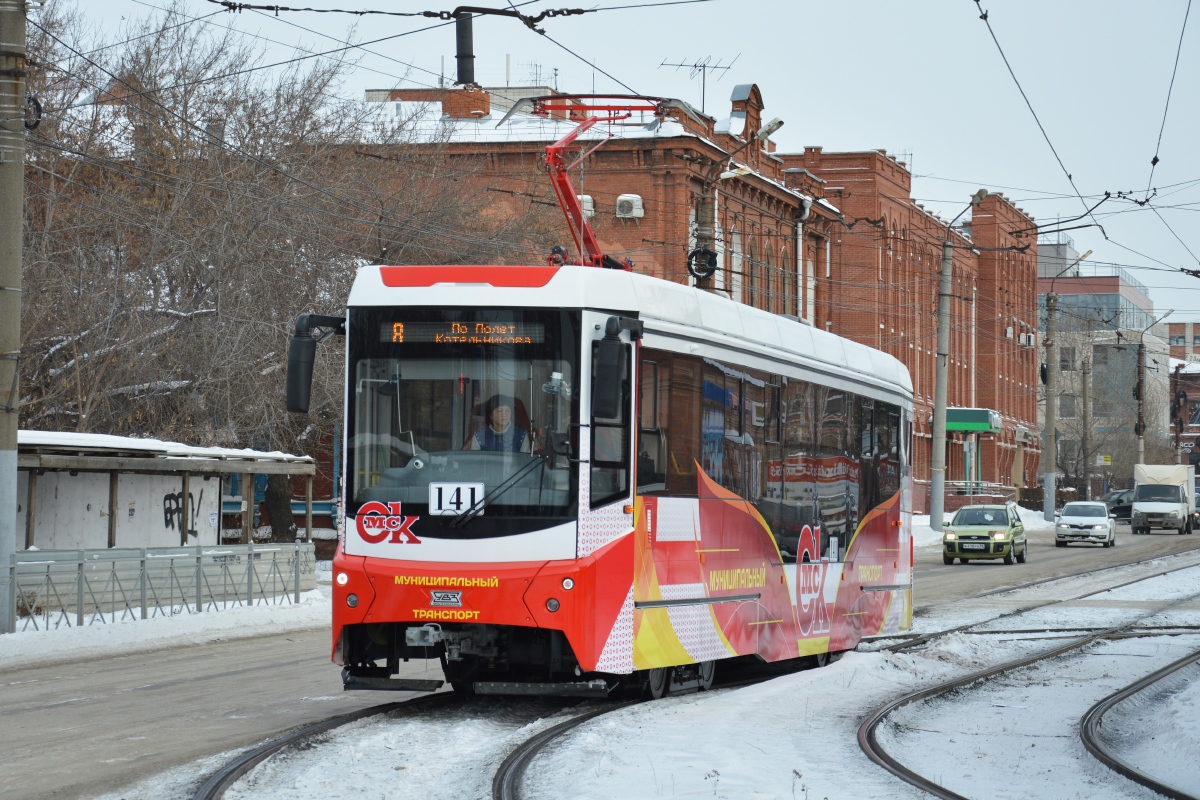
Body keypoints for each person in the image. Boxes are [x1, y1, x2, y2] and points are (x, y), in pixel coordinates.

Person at [466, 395, 532, 453]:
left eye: (508, 411)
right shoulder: (479, 437)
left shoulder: (521, 435)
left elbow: (525, 462)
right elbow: (475, 463)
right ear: (491, 415)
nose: (504, 414)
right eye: (500, 411)